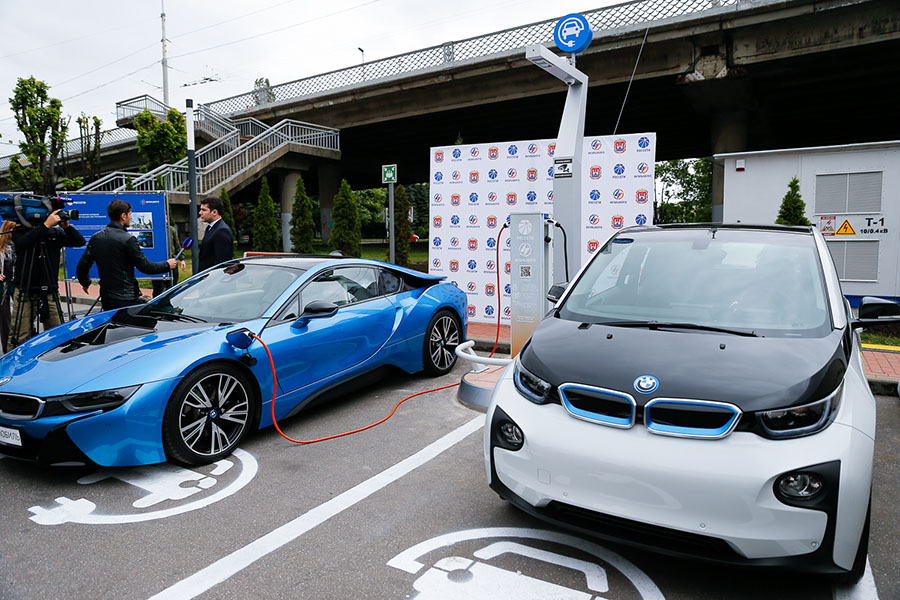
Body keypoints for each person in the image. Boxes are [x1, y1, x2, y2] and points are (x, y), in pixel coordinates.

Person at [76, 199, 177, 312]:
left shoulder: (96, 238)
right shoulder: (128, 239)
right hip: (126, 298)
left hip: (106, 297)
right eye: (130, 214)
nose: (131, 217)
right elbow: (145, 267)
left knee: (112, 327)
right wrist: (167, 264)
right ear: (123, 216)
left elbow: (82, 266)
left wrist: (85, 283)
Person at [9, 209, 85, 349]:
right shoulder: (20, 231)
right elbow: (22, 243)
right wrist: (45, 226)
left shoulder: (54, 233)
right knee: (20, 336)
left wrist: (66, 227)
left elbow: (80, 241)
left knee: (58, 335)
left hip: (50, 290)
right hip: (25, 289)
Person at [151, 218, 186, 298]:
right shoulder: (155, 230)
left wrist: (182, 259)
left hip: (172, 261)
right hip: (158, 263)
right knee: (158, 287)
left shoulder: (171, 230)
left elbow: (177, 245)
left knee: (172, 286)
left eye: (166, 218)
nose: (165, 220)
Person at [198, 197, 234, 271]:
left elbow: (222, 262)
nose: (200, 212)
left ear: (214, 212)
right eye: (200, 209)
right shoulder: (210, 228)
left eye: (204, 210)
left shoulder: (222, 231)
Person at [0, 220, 17, 353]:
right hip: (3, 285)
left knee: (21, 315)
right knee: (4, 317)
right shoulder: (0, 245)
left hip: (16, 282)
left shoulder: (19, 243)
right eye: (11, 229)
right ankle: (7, 349)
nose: (13, 233)